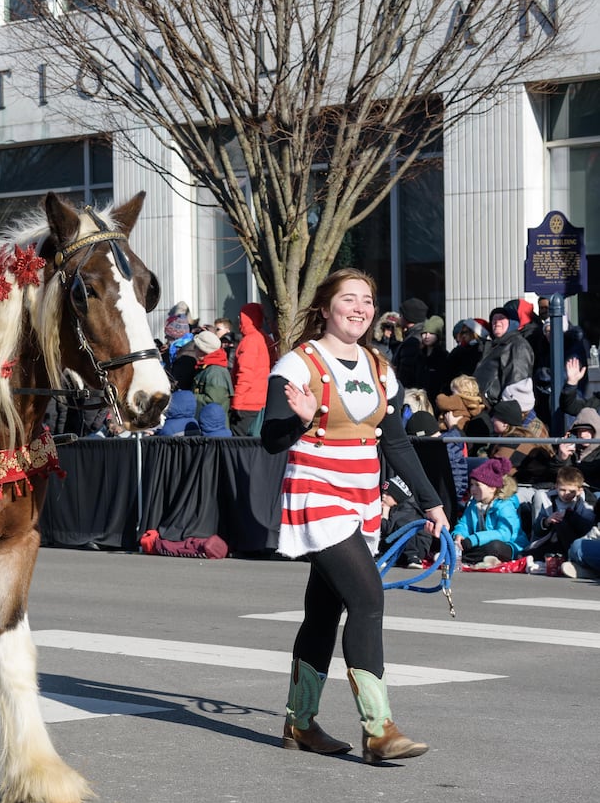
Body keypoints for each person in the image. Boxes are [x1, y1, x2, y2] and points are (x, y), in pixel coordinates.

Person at [261, 268, 448, 763]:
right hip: (317, 499)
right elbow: (270, 438)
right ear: (325, 307)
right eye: (349, 298)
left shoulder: (379, 367)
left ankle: (299, 724)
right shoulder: (298, 364)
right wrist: (300, 421)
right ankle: (379, 729)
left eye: (367, 299)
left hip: (363, 503)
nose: (360, 307)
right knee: (367, 600)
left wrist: (432, 503)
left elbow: (397, 442)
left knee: (324, 613)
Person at [451, 456, 525, 566]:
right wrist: (459, 534)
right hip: (480, 543)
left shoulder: (505, 505)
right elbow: (464, 524)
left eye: (477, 485)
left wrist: (474, 539)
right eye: (471, 485)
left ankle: (460, 558)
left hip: (510, 545)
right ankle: (466, 557)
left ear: (492, 488)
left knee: (494, 547)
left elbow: (504, 534)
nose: (473, 489)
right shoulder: (473, 504)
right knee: (454, 542)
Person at [527, 466, 596, 564]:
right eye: (563, 490)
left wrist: (570, 516)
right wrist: (547, 521)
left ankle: (573, 558)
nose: (566, 494)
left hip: (577, 540)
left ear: (580, 490)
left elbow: (589, 529)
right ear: (556, 487)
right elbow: (537, 530)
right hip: (553, 541)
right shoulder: (549, 500)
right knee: (527, 554)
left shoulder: (586, 502)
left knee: (562, 521)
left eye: (572, 491)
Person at [475, 306, 533, 409]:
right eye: (494, 319)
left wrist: (504, 411)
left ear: (512, 322)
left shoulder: (517, 345)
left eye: (501, 318)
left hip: (497, 409)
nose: (497, 322)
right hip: (484, 404)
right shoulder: (494, 346)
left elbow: (517, 383)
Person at [231, 302, 271, 436]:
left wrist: (237, 403)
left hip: (247, 403)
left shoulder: (250, 341)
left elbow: (245, 374)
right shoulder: (265, 339)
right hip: (262, 402)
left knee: (240, 446)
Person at [190, 328, 232, 419]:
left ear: (202, 350)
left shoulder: (215, 372)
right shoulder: (207, 367)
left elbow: (214, 400)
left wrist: (190, 397)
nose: (194, 350)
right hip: (207, 421)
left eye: (195, 347)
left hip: (212, 425)